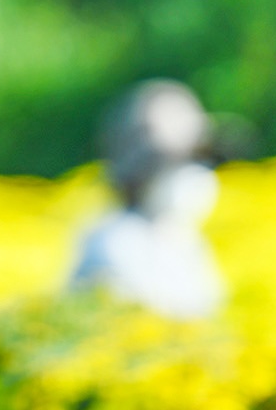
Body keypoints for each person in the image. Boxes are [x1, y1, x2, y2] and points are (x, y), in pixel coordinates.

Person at [68, 79, 226, 319]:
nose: (196, 173)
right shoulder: (116, 245)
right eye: (179, 162)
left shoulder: (183, 240)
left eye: (201, 159)